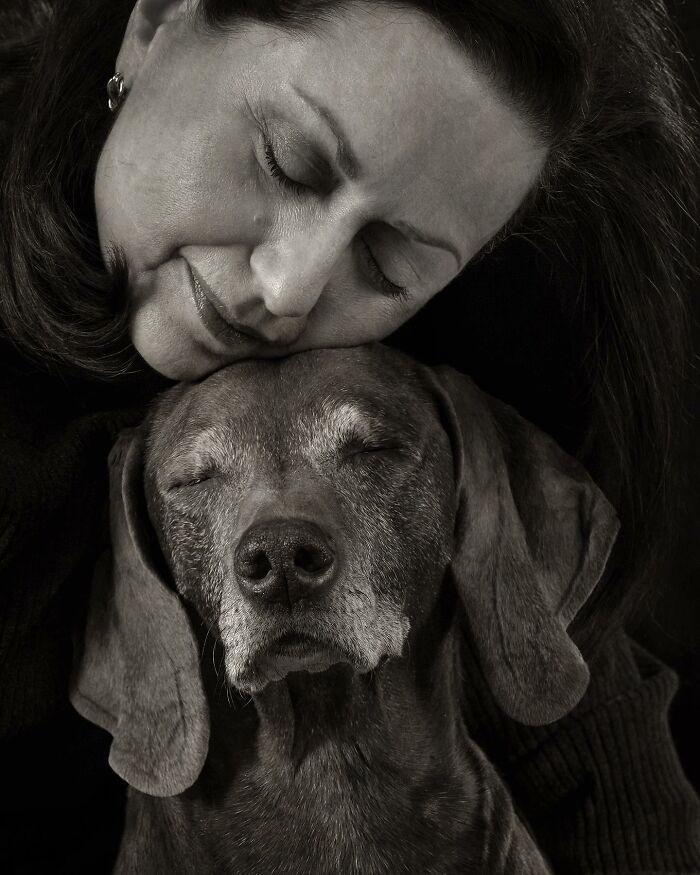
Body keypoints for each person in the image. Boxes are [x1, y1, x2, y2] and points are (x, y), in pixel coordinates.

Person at [1, 0, 699, 871]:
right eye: (286, 162)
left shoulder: (437, 367)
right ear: (154, 28)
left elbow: (584, 720)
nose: (291, 288)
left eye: (386, 264)